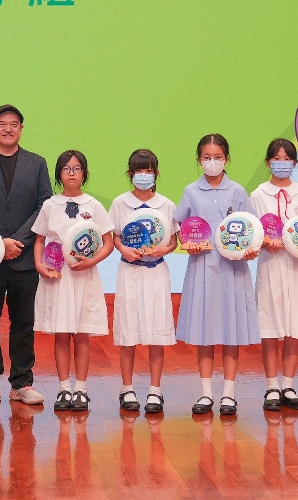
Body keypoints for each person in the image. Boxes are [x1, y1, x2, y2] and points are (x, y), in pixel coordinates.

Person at [0, 104, 52, 407]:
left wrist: (19, 240)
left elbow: (44, 205)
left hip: (23, 257)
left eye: (14, 124)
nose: (8, 129)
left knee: (23, 322)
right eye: (2, 123)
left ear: (21, 129)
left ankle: (22, 382)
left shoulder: (37, 163)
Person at [175, 133, 260, 417]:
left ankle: (229, 394)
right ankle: (206, 393)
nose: (212, 162)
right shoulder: (191, 191)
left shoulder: (237, 191)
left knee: (231, 330)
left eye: (218, 157)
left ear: (227, 159)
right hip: (202, 268)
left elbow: (251, 228)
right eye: (207, 157)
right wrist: (187, 243)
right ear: (199, 160)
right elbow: (180, 226)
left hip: (232, 269)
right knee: (205, 330)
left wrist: (251, 249)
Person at [32, 150, 114, 412]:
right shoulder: (50, 205)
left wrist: (91, 261)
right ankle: (64, 388)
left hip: (83, 275)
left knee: (81, 333)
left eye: (77, 169)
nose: (71, 173)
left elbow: (108, 242)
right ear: (59, 174)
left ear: (84, 174)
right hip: (57, 276)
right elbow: (39, 240)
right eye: (66, 169)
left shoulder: (94, 205)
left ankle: (81, 389)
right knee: (61, 334)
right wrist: (39, 264)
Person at [251, 138, 298, 412]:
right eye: (277, 159)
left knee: (295, 324)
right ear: (268, 162)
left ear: (295, 163)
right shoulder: (258, 195)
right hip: (271, 266)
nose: (282, 164)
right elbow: (251, 233)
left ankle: (289, 386)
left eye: (287, 159)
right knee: (270, 325)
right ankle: (271, 386)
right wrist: (263, 243)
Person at [109, 149, 178, 414]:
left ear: (156, 174)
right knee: (128, 331)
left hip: (156, 272)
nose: (143, 176)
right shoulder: (120, 203)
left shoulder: (166, 205)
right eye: (139, 171)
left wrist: (164, 250)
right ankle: (126, 389)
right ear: (130, 174)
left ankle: (155, 390)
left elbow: (174, 239)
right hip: (129, 271)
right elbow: (115, 235)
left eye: (148, 171)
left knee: (156, 332)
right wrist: (123, 249)